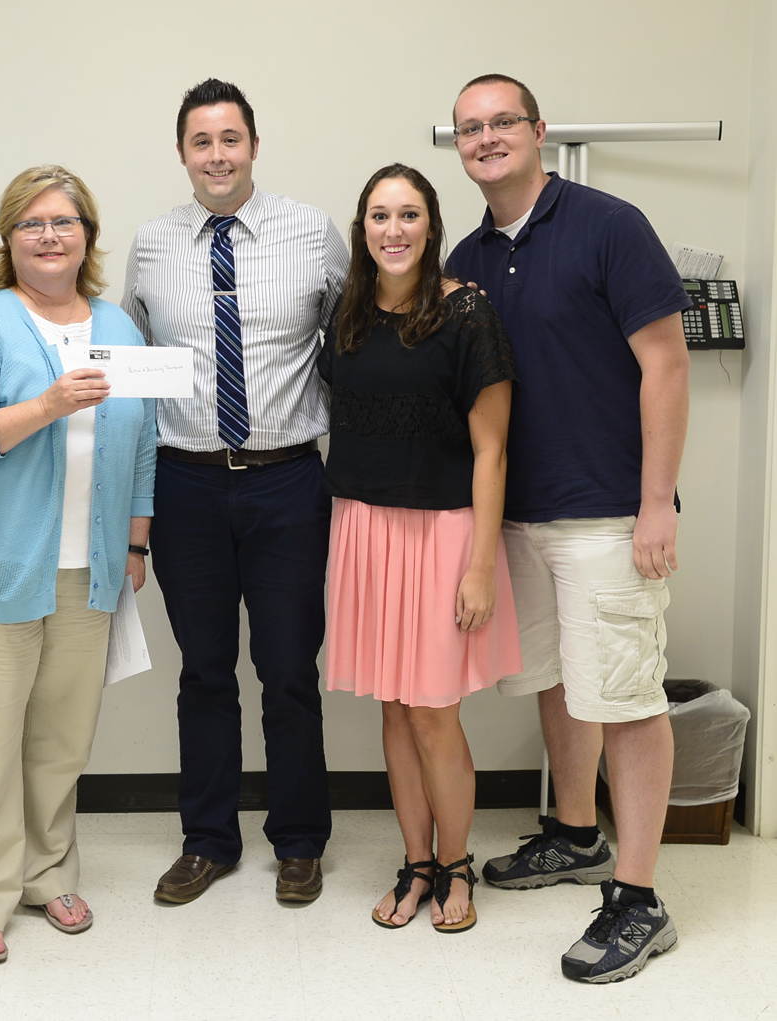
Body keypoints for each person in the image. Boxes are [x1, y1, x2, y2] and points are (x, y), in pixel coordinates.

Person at [445, 74, 690, 981]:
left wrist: (656, 499)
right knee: (558, 681)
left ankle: (637, 898)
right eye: (469, 128)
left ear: (537, 130)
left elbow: (664, 364)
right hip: (517, 516)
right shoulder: (466, 256)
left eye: (501, 121)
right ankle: (576, 832)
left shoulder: (607, 224)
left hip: (608, 510)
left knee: (624, 697)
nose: (485, 137)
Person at [0, 165, 156, 964]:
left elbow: (143, 439)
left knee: (60, 739)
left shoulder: (118, 326)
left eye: (64, 222)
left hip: (85, 569)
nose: (49, 236)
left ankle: (44, 869)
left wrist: (133, 538)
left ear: (87, 233)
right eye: (31, 224)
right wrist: (47, 406)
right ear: (8, 237)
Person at [123, 79, 349, 904]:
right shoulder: (151, 245)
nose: (216, 155)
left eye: (230, 139)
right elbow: (132, 369)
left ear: (253, 144)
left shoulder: (312, 232)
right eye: (200, 141)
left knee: (288, 667)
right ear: (181, 153)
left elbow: (359, 333)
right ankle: (207, 839)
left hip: (287, 481)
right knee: (204, 670)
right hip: (186, 486)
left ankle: (298, 839)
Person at [320, 164, 521, 933]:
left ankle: (458, 864)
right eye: (379, 215)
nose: (393, 229)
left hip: (443, 535)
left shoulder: (465, 311)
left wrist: (478, 564)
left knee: (435, 713)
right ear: (362, 227)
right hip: (366, 531)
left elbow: (491, 452)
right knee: (395, 710)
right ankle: (416, 863)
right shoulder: (347, 316)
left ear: (431, 226)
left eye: (408, 215)